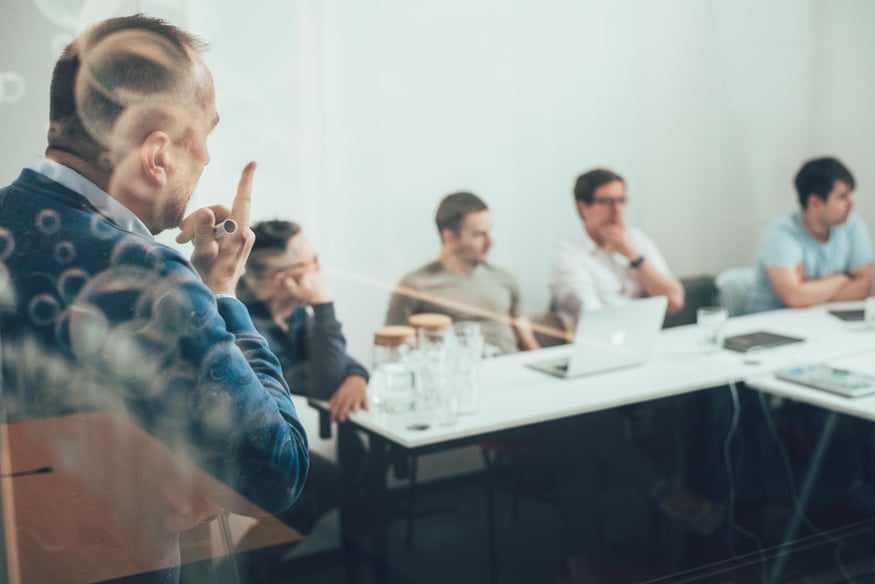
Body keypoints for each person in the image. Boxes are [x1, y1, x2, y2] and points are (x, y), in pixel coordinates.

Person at [0, 15, 308, 583]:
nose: (210, 157)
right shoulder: (147, 274)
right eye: (206, 132)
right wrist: (218, 294)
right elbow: (276, 472)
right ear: (158, 153)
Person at [239, 219, 369, 537]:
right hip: (239, 450)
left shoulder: (291, 314)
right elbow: (324, 382)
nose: (320, 269)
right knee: (322, 488)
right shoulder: (247, 324)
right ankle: (253, 569)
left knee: (346, 471)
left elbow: (338, 365)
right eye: (311, 262)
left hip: (272, 440)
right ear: (282, 279)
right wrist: (324, 305)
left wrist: (356, 376)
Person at [385, 191, 540, 353]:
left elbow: (528, 341)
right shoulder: (415, 284)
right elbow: (393, 348)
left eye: (489, 232)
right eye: (479, 234)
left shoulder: (504, 278)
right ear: (449, 237)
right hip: (457, 371)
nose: (490, 242)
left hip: (511, 368)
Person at [550, 167, 684, 332]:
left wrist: (634, 257)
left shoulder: (636, 240)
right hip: (599, 345)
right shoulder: (568, 255)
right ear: (583, 208)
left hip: (645, 338)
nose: (617, 210)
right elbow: (595, 322)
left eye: (621, 200)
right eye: (607, 202)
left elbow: (674, 301)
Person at [746, 156, 873, 314]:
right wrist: (840, 279)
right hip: (769, 326)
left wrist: (809, 293)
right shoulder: (781, 234)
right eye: (842, 197)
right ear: (815, 203)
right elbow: (794, 297)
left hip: (817, 321)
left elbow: (865, 287)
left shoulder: (851, 224)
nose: (851, 204)